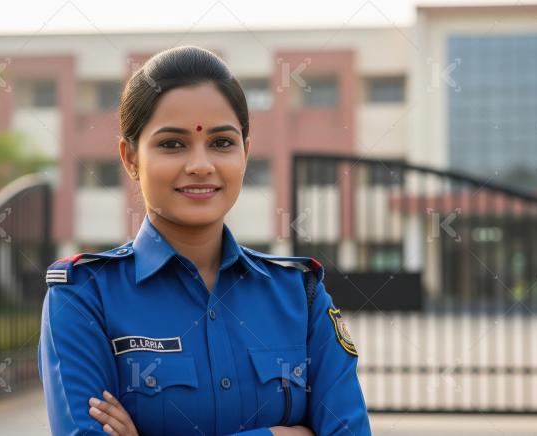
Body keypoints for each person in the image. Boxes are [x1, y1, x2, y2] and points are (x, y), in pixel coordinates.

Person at [37, 45, 371, 436]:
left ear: (245, 153)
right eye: (172, 144)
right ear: (130, 158)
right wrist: (278, 434)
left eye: (221, 143)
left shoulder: (301, 295)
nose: (200, 165)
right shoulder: (83, 296)